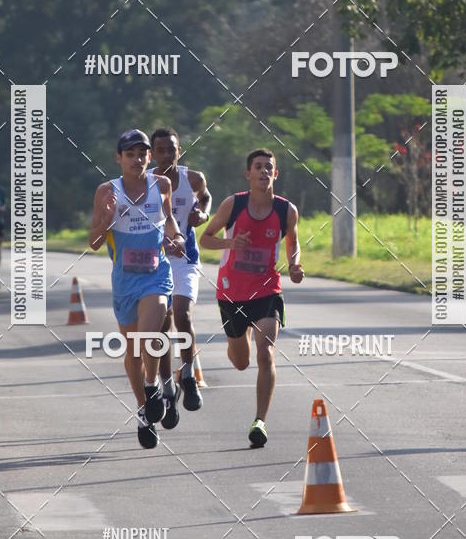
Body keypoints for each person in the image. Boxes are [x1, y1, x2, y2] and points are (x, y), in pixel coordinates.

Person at [88, 129, 185, 449]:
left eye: (142, 153)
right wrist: (106, 218)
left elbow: (168, 220)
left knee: (151, 333)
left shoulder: (162, 185)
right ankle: (144, 411)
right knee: (133, 352)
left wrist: (176, 238)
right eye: (130, 154)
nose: (137, 159)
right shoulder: (107, 191)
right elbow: (94, 242)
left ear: (149, 157)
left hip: (156, 275)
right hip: (124, 281)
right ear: (119, 158)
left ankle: (152, 385)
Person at [200, 148, 304, 448]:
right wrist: (231, 243)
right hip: (232, 291)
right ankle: (238, 339)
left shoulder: (286, 210)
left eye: (268, 167)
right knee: (241, 362)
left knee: (265, 353)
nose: (263, 171)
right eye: (258, 167)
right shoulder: (233, 204)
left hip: (267, 290)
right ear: (248, 174)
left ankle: (260, 421)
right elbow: (205, 238)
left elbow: (293, 243)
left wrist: (294, 265)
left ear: (276, 174)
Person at [149, 128, 211, 418]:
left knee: (183, 316)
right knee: (163, 325)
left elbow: (205, 197)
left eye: (171, 150)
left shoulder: (193, 179)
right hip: (155, 263)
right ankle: (167, 389)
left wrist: (203, 213)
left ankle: (187, 375)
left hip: (185, 259)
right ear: (152, 154)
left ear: (179, 151)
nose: (166, 156)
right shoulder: (145, 183)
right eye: (159, 151)